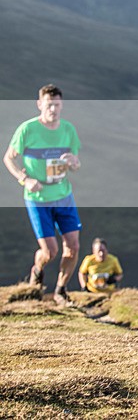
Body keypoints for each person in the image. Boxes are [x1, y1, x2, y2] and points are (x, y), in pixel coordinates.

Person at [3, 84, 82, 306]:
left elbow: (75, 162)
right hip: (37, 198)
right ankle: (37, 270)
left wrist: (74, 163)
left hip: (63, 194)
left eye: (57, 105)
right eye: (49, 105)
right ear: (40, 104)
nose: (53, 110)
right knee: (50, 251)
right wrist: (24, 179)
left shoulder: (68, 130)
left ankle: (60, 290)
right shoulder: (27, 130)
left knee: (73, 246)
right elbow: (9, 158)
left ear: (62, 105)